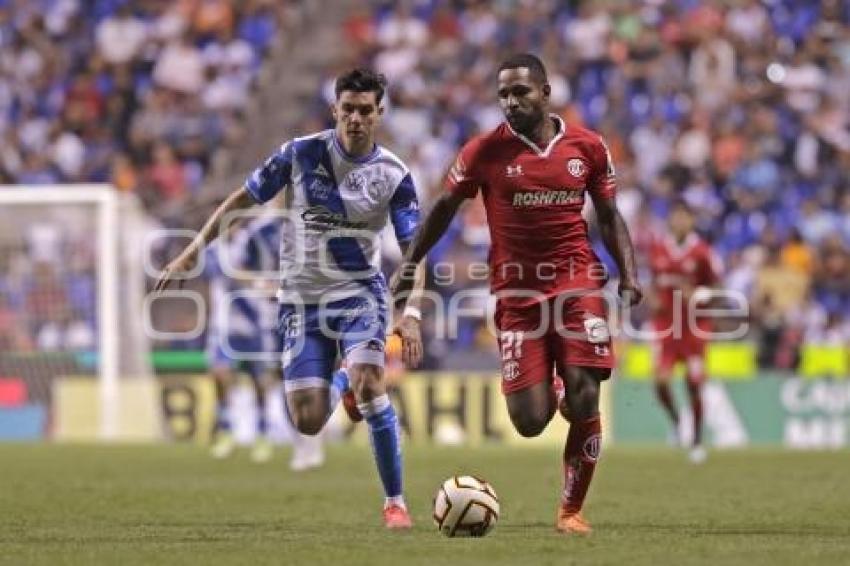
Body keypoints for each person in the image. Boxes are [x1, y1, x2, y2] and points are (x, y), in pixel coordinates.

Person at [156, 68, 425, 529]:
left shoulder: (394, 176)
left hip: (360, 295)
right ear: (334, 110)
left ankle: (395, 503)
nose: (356, 118)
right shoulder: (300, 154)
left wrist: (412, 311)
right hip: (300, 302)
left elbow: (414, 252)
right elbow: (240, 201)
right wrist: (191, 253)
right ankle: (342, 385)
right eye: (348, 110)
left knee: (371, 382)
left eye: (366, 110)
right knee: (307, 420)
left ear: (379, 113)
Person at [391, 53, 642, 535]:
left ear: (546, 92)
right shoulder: (484, 151)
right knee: (529, 422)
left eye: (520, 91)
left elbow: (609, 216)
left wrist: (628, 273)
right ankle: (552, 384)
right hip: (516, 294)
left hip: (576, 281)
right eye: (503, 94)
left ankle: (571, 511)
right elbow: (444, 208)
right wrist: (411, 260)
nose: (510, 101)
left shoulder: (587, 147)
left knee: (586, 395)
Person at [205, 213, 325, 470]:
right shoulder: (215, 250)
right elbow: (229, 275)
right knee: (220, 374)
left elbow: (255, 271)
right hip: (223, 324)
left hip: (254, 322)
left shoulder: (248, 242)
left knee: (261, 381)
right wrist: (261, 282)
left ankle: (262, 433)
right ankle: (226, 429)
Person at [646, 200, 721, 464]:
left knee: (694, 382)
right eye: (675, 217)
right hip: (665, 326)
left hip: (693, 328)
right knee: (660, 381)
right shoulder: (658, 247)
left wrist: (701, 294)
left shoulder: (701, 252)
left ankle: (697, 440)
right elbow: (654, 282)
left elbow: (718, 288)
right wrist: (652, 297)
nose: (679, 221)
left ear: (691, 221)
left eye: (684, 217)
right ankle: (677, 422)